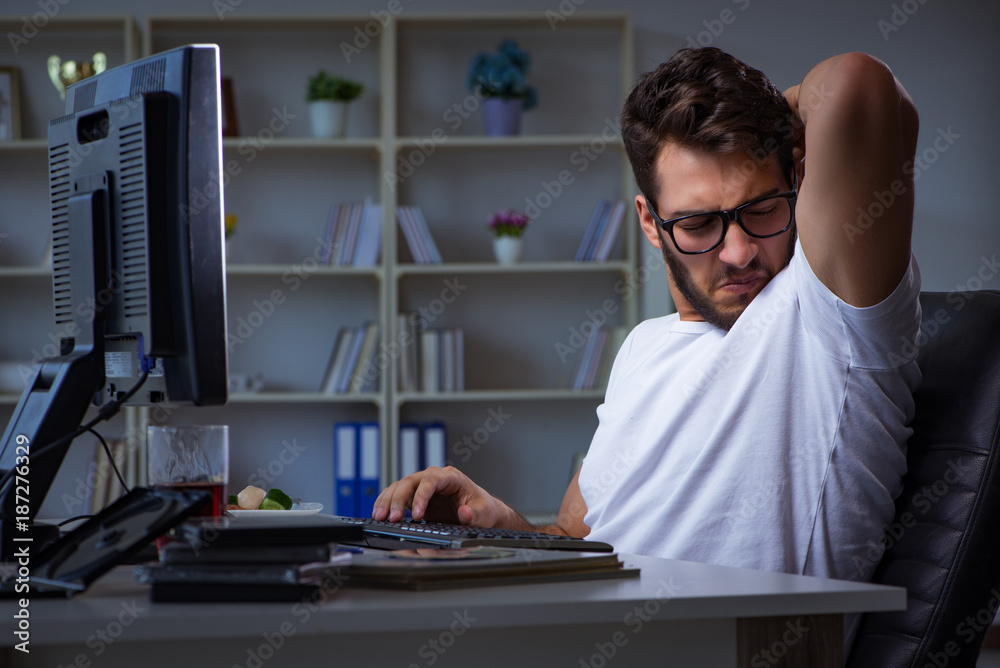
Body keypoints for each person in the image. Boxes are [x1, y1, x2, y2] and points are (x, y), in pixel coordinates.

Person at [374, 47, 920, 643]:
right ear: (649, 223)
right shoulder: (644, 347)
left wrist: (761, 118)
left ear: (795, 179)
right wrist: (495, 523)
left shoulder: (827, 316)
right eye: (698, 225)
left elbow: (857, 89)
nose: (738, 252)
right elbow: (574, 540)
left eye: (761, 209)